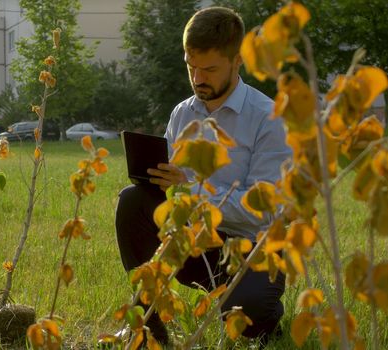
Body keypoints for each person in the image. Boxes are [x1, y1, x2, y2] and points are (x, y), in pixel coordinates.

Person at [115, 6, 292, 346]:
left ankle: (267, 319)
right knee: (132, 201)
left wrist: (192, 189)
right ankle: (148, 323)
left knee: (248, 324)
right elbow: (173, 192)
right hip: (195, 243)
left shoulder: (268, 118)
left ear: (237, 61)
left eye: (209, 69)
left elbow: (266, 213)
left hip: (252, 250)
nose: (198, 78)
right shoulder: (183, 113)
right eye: (191, 67)